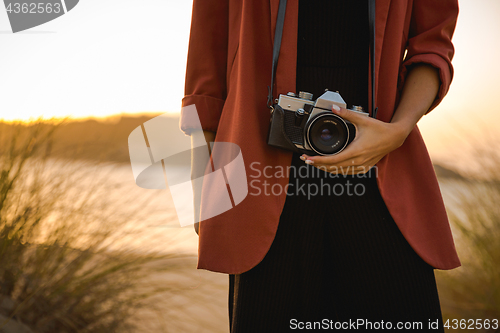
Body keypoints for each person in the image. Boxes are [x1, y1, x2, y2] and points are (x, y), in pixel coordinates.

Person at [180, 0, 460, 332]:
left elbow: (431, 46)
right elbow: (206, 61)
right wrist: (204, 180)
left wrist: (397, 131)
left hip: (379, 166)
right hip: (261, 172)